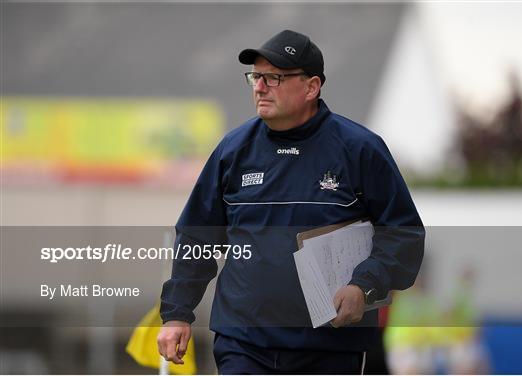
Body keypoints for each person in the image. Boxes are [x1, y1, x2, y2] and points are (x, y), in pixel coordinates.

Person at [158, 29, 425, 374]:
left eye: (274, 78)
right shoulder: (233, 151)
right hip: (243, 342)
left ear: (312, 87)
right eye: (256, 77)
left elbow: (404, 234)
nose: (259, 87)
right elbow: (197, 237)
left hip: (329, 347)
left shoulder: (360, 149)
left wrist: (364, 285)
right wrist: (177, 314)